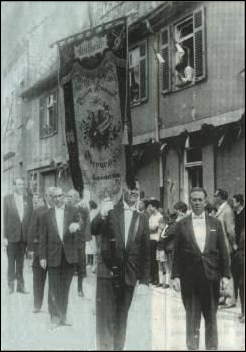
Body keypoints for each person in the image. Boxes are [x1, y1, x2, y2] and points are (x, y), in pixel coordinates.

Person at [93, 179, 150, 350]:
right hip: (107, 274)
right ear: (123, 189)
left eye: (137, 189)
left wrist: (145, 281)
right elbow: (93, 229)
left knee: (121, 318)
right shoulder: (110, 210)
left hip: (129, 275)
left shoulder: (142, 218)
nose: (134, 192)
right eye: (131, 188)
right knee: (105, 319)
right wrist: (101, 214)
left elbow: (145, 252)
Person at [172, 187, 230, 350]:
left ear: (205, 202)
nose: (197, 203)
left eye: (200, 200)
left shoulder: (215, 223)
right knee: (192, 319)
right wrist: (175, 276)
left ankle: (212, 348)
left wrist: (225, 275)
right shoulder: (181, 224)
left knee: (211, 317)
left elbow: (223, 250)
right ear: (190, 202)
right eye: (194, 200)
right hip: (189, 279)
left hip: (210, 277)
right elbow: (176, 252)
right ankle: (193, 348)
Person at [39, 187, 81, 328]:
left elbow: (81, 221)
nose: (56, 199)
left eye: (59, 196)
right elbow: (42, 237)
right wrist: (42, 257)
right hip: (52, 256)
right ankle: (54, 317)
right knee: (54, 287)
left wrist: (77, 225)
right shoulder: (46, 214)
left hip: (68, 255)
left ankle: (63, 315)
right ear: (51, 198)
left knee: (65, 287)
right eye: (54, 196)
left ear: (64, 196)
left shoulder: (73, 210)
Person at [27, 187, 56, 313]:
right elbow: (32, 231)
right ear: (45, 196)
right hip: (40, 251)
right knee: (38, 279)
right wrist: (31, 249)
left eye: (54, 195)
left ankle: (52, 307)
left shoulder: (59, 211)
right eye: (50, 195)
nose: (52, 198)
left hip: (54, 252)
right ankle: (37, 305)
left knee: (54, 281)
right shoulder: (38, 211)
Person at [4, 177, 33, 294]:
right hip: (11, 237)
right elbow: (3, 219)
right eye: (18, 184)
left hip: (23, 237)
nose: (21, 187)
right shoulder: (6, 199)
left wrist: (29, 238)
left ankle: (20, 287)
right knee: (11, 262)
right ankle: (10, 286)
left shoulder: (28, 200)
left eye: (22, 184)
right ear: (14, 186)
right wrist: (4, 237)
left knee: (20, 263)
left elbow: (30, 220)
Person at [65, 189, 92, 297]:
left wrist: (86, 238)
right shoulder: (65, 209)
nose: (68, 198)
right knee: (68, 266)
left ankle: (80, 289)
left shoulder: (84, 210)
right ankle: (66, 288)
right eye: (67, 196)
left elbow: (87, 225)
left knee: (81, 266)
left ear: (76, 198)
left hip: (80, 242)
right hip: (69, 242)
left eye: (70, 196)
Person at [214, 188, 237, 308]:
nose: (214, 198)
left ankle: (230, 299)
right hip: (220, 246)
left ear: (221, 197)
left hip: (226, 245)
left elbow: (230, 230)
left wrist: (233, 244)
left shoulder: (227, 210)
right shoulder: (221, 209)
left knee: (227, 271)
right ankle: (223, 296)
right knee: (221, 271)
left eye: (216, 196)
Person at [231, 194, 245, 321]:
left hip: (241, 251)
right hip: (239, 253)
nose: (232, 204)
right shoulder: (235, 214)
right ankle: (243, 311)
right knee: (241, 284)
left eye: (234, 202)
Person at [147, 198, 163, 285]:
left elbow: (153, 228)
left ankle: (156, 278)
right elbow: (149, 228)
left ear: (155, 207)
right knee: (151, 260)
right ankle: (152, 277)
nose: (149, 208)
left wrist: (150, 228)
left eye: (151, 207)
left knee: (155, 260)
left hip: (155, 240)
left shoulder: (159, 217)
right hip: (150, 239)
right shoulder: (151, 216)